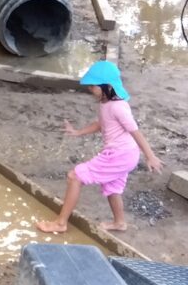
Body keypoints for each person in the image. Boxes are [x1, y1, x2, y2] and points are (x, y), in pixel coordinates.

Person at [36, 61, 163, 234]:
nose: (90, 89)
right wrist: (78, 132)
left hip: (120, 154)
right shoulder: (106, 103)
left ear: (107, 86)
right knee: (112, 188)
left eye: (93, 86)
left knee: (75, 176)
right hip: (124, 155)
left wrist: (150, 156)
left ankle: (60, 223)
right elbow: (101, 124)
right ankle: (119, 223)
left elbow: (135, 131)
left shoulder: (118, 106)